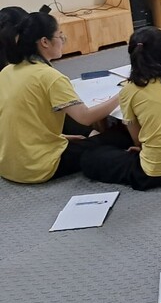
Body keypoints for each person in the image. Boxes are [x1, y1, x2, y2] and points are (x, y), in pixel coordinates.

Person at [80, 27, 161, 190]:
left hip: (155, 172)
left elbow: (136, 139)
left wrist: (142, 147)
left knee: (90, 157)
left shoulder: (129, 90)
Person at [0, 12, 121, 184]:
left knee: (82, 136)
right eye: (60, 35)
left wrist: (62, 136)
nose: (63, 40)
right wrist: (122, 95)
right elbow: (85, 117)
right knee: (118, 137)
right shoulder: (50, 77)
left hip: (7, 164)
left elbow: (20, 119)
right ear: (45, 42)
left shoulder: (7, 71)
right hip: (36, 167)